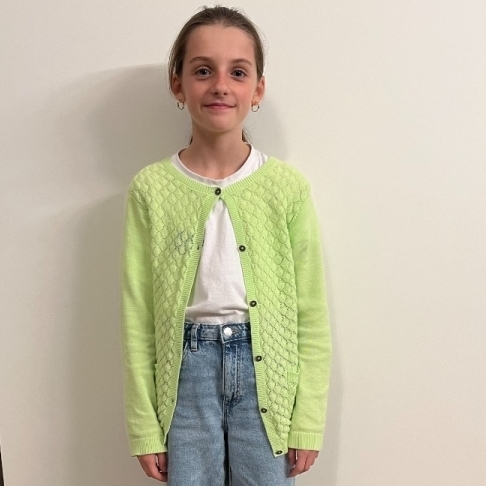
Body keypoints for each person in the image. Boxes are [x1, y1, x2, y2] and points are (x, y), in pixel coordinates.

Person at [120, 6, 332, 485]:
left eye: (238, 72)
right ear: (178, 85)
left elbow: (311, 315)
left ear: (257, 90)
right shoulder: (151, 189)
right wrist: (144, 427)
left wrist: (307, 419)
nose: (220, 85)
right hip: (185, 377)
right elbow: (137, 315)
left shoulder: (286, 188)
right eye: (203, 71)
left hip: (269, 376)